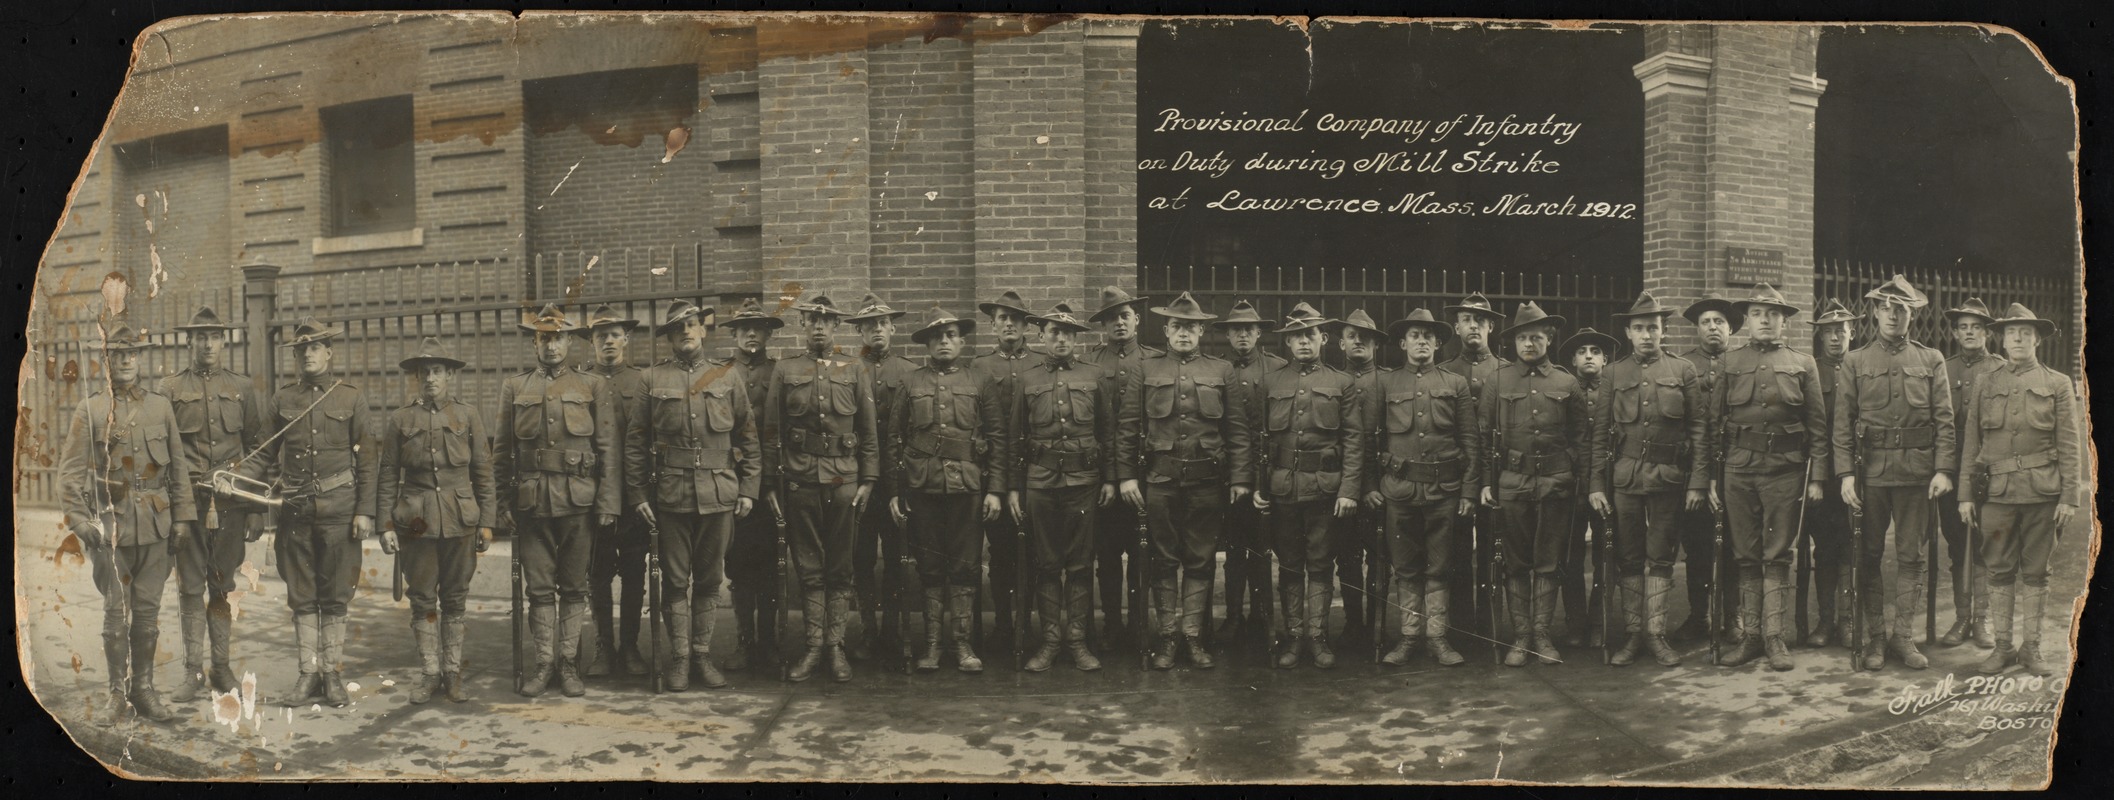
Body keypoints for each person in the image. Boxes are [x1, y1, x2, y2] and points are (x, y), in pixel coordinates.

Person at [60, 321, 197, 722]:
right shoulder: (91, 409)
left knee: (149, 614)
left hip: (156, 526)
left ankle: (144, 690)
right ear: (106, 360)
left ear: (140, 358)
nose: (125, 361)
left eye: (131, 354)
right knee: (116, 616)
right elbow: (69, 474)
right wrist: (81, 523)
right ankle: (116, 694)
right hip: (110, 529)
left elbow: (179, 470)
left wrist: (183, 519)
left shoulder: (160, 406)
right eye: (117, 355)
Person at [243, 317, 378, 707]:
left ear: (329, 353)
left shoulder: (350, 397)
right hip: (296, 511)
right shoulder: (283, 400)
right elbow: (262, 456)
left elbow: (368, 460)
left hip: (340, 510)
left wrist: (365, 511)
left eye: (315, 348)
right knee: (301, 596)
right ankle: (307, 675)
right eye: (301, 350)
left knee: (335, 595)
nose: (307, 355)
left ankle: (332, 675)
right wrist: (232, 479)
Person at [1118, 292, 1255, 670]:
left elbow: (1238, 432)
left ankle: (1193, 638)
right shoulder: (1145, 370)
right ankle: (1167, 639)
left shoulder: (1221, 371)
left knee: (1201, 559)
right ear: (1166, 330)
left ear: (1201, 331)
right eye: (1177, 326)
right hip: (1159, 481)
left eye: (1190, 327)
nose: (1183, 333)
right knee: (1162, 561)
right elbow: (1128, 429)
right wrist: (1127, 477)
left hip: (1206, 483)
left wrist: (1241, 477)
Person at [629, 299, 761, 691]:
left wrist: (749, 488)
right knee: (673, 581)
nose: (685, 332)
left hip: (719, 493)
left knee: (708, 580)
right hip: (670, 497)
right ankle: (680, 660)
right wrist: (638, 494)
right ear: (669, 337)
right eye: (676, 328)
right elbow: (636, 442)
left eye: (691, 325)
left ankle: (702, 656)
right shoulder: (651, 379)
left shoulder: (727, 376)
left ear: (702, 330)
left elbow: (748, 436)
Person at [495, 304, 621, 697]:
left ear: (569, 341)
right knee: (538, 589)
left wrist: (607, 503)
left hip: (579, 503)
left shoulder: (591, 386)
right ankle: (544, 665)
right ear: (535, 342)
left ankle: (569, 665)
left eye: (558, 338)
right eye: (544, 338)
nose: (551, 346)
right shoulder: (516, 388)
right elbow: (501, 452)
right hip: (531, 504)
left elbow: (607, 449)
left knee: (574, 587)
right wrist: (502, 504)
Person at [1834, 275, 1956, 671]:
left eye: (1900, 308)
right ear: (1874, 312)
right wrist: (1845, 476)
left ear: (1912, 315)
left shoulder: (1930, 359)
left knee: (1911, 556)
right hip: (1869, 475)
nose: (1892, 314)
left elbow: (1944, 420)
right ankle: (1874, 639)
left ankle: (1902, 637)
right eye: (1885, 307)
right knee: (1867, 555)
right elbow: (1843, 423)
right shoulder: (1855, 360)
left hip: (1917, 475)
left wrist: (1943, 470)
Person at [762, 295, 880, 683]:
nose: (818, 327)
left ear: (836, 327)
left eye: (826, 321)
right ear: (802, 325)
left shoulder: (855, 368)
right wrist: (771, 487)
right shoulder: (786, 368)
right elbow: (771, 432)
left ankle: (835, 646)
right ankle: (814, 647)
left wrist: (868, 480)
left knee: (841, 567)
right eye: (812, 320)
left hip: (844, 482)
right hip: (799, 481)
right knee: (809, 568)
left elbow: (867, 431)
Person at [1710, 285, 1828, 672]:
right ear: (1747, 318)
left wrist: (1817, 478)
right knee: (1744, 553)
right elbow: (1713, 426)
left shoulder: (1803, 362)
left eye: (1773, 313)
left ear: (1784, 320)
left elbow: (1818, 426)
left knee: (1778, 552)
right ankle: (1751, 636)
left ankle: (1776, 638)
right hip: (1739, 468)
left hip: (1786, 469)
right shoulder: (1729, 362)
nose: (1765, 319)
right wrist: (1711, 479)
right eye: (1758, 312)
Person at [1959, 304, 2080, 676]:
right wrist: (1965, 493)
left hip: (2043, 495)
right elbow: (1971, 442)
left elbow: (2071, 444)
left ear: (2037, 339)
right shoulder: (1986, 382)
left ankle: (2032, 648)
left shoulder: (2058, 383)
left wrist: (2069, 496)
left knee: (2037, 572)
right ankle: (2002, 647)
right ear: (2002, 337)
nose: (2017, 338)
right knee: (1997, 570)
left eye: (2025, 333)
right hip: (1996, 495)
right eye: (2011, 332)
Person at [887, 306, 1007, 673]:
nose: (944, 342)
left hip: (968, 489)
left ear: (961, 340)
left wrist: (995, 490)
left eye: (951, 335)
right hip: (922, 488)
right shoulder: (911, 382)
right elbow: (893, 439)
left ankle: (963, 644)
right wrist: (895, 491)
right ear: (927, 343)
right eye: (937, 337)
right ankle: (934, 646)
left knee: (966, 567)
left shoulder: (978, 381)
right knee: (930, 568)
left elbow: (997, 438)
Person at [376, 338, 496, 704]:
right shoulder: (401, 419)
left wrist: (487, 521)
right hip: (416, 520)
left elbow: (483, 471)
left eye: (437, 371)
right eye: (424, 372)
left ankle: (452, 673)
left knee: (456, 597)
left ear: (449, 376)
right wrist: (384, 525)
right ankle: (429, 673)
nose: (430, 377)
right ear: (416, 377)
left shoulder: (467, 415)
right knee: (422, 598)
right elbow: (386, 475)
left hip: (461, 518)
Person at [1478, 302, 1596, 667]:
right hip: (1511, 482)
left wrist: (1583, 483)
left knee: (1548, 561)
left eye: (1537, 337)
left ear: (1549, 339)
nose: (1530, 343)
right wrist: (1485, 482)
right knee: (1515, 562)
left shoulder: (1566, 382)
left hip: (1556, 483)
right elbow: (1484, 438)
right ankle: (1521, 637)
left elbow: (1582, 440)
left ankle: (1542, 634)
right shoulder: (1497, 381)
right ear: (1513, 342)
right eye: (1523, 337)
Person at [1594, 295, 1706, 669]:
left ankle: (1656, 635)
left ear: (1664, 331)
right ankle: (1632, 635)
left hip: (1669, 478)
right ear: (1628, 332)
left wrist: (1697, 483)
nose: (1646, 334)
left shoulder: (1683, 370)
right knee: (1627, 557)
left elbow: (1698, 430)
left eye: (1653, 328)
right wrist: (1597, 484)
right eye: (1639, 328)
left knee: (1661, 556)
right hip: (1625, 478)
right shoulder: (1613, 373)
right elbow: (1599, 435)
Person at [159, 307, 263, 703]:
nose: (207, 343)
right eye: (200, 336)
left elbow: (257, 449)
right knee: (189, 588)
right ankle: (192, 672)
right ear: (189, 341)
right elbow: (167, 453)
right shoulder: (169, 389)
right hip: (189, 505)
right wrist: (175, 510)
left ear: (224, 341)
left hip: (232, 505)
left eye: (214, 336)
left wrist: (256, 507)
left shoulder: (242, 387)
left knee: (222, 587)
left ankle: (221, 668)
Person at [1367, 308, 1479, 666]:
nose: (1422, 342)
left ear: (1438, 344)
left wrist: (1468, 491)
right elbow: (1369, 440)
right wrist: (1370, 485)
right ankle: (1408, 637)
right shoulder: (1383, 383)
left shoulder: (1455, 383)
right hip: (1398, 491)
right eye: (1415, 336)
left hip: (1443, 491)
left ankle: (1438, 638)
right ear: (1402, 343)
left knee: (1440, 566)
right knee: (1405, 567)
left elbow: (1470, 440)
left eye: (1428, 337)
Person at [1006, 303, 1115, 672]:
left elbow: (1108, 433)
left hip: (1085, 483)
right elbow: (1014, 439)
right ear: (1041, 336)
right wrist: (1013, 490)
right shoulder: (1027, 378)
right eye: (1054, 332)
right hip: (1041, 483)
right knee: (1048, 564)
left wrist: (1111, 480)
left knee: (1081, 564)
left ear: (1076, 339)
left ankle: (1078, 641)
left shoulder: (1094, 376)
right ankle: (1051, 641)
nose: (1061, 338)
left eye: (1068, 333)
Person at [1255, 301, 1361, 669]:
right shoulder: (1272, 381)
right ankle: (1294, 637)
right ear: (1287, 342)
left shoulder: (1341, 382)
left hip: (1325, 489)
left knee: (1319, 563)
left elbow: (1354, 442)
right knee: (1288, 564)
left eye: (1309, 334)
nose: (1303, 341)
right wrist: (1259, 486)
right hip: (1283, 488)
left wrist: (1348, 490)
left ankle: (1318, 637)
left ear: (1324, 338)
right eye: (1296, 336)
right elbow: (1261, 438)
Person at [1084, 286, 1162, 650]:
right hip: (1102, 480)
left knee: (1142, 552)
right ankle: (1112, 624)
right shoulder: (1090, 364)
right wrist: (1109, 476)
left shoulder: (1154, 361)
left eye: (1124, 316)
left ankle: (1138, 624)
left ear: (1137, 320)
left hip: (1142, 476)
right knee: (1107, 553)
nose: (1118, 323)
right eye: (1111, 318)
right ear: (1103, 325)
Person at [578, 305, 651, 680]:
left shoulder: (642, 381)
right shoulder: (579, 384)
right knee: (599, 574)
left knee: (636, 574)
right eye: (600, 335)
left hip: (634, 495)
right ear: (591, 341)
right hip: (593, 497)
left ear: (627, 338)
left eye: (615, 334)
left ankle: (631, 646)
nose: (608, 340)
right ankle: (604, 647)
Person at [844, 294, 918, 664]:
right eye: (869, 325)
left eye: (882, 323)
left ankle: (893, 631)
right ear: (859, 330)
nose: (876, 329)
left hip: (896, 483)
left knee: (896, 557)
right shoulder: (846, 368)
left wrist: (901, 486)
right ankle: (868, 631)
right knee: (860, 558)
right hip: (857, 480)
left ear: (892, 328)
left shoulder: (908, 371)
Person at [966, 289, 1039, 653]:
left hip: (1036, 476)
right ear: (993, 325)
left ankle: (1027, 622)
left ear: (1026, 325)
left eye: (1016, 319)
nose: (1009, 324)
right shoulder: (979, 367)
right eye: (1002, 319)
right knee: (1001, 553)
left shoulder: (1040, 364)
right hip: (992, 475)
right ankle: (1004, 623)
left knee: (1034, 552)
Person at [1209, 300, 1285, 647]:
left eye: (1249, 329)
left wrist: (1263, 480)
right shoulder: (1217, 371)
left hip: (1266, 475)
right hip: (1226, 475)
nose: (1242, 334)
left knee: (1262, 547)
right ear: (1227, 334)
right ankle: (1234, 616)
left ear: (1259, 333)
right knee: (1234, 548)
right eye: (1236, 329)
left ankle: (1262, 616)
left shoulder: (1278, 369)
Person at [1438, 292, 1510, 647]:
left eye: (1480, 320)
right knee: (1458, 551)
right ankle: (1463, 626)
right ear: (1456, 327)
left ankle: (1492, 624)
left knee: (1495, 551)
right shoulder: (1445, 372)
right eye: (1466, 320)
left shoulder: (1506, 371)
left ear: (1491, 327)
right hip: (1458, 476)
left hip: (1495, 477)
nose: (1473, 326)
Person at [722, 297, 784, 672]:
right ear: (735, 334)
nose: (751, 334)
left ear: (767, 334)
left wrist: (773, 484)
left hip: (772, 487)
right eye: (744, 328)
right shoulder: (722, 373)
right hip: (734, 483)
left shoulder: (780, 373)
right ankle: (745, 642)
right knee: (739, 566)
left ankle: (769, 642)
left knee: (772, 567)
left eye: (757, 328)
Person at [1938, 297, 2001, 649]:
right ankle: (1962, 618)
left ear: (1987, 332)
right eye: (1963, 327)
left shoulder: (1999, 368)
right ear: (1954, 332)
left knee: (1986, 545)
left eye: (1976, 327)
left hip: (1987, 470)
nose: (1969, 333)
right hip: (1951, 468)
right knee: (1956, 542)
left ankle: (1983, 620)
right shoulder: (1944, 369)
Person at [1676, 292, 1738, 643]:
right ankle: (1698, 615)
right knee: (1697, 545)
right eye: (1705, 322)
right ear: (1697, 329)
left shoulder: (1742, 364)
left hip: (1737, 470)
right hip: (1693, 472)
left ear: (1730, 328)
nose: (1712, 327)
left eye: (1719, 321)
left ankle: (1734, 617)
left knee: (1735, 546)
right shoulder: (1682, 366)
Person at [1804, 299, 1861, 649]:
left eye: (1841, 331)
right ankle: (1825, 622)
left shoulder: (1861, 368)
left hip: (1858, 475)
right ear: (1820, 337)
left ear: (1851, 333)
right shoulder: (1811, 371)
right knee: (1824, 547)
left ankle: (1849, 621)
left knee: (1853, 546)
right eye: (1829, 332)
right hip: (1823, 475)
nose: (1836, 338)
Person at [1331, 308, 1387, 647]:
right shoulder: (1331, 380)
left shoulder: (1388, 381)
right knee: (1347, 557)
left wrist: (1375, 486)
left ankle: (1378, 625)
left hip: (1382, 488)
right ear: (1341, 343)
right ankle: (1354, 624)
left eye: (1366, 337)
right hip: (1343, 486)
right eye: (1352, 336)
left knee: (1380, 559)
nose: (1359, 341)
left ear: (1376, 345)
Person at [1558, 325, 1615, 650]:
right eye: (1582, 351)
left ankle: (1599, 621)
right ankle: (1575, 622)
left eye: (1595, 351)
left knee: (1606, 556)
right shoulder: (1564, 389)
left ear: (1605, 359)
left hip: (1607, 485)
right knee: (1571, 555)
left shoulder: (1615, 389)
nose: (1589, 356)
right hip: (1572, 484)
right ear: (1573, 359)